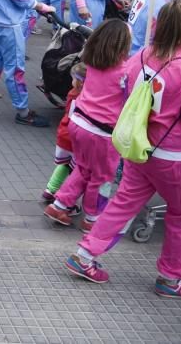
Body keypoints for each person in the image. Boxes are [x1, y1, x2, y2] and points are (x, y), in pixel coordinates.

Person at [64, 0, 181, 299]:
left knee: (122, 204)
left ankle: (84, 255)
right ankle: (172, 279)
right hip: (179, 161)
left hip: (140, 152)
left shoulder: (140, 57)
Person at [45, 20, 130, 232]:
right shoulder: (125, 72)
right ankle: (92, 218)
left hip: (79, 123)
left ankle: (60, 205)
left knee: (82, 168)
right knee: (101, 177)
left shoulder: (92, 63)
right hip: (102, 132)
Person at [41, 62, 85, 205]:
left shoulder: (72, 93)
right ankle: (66, 198)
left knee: (64, 164)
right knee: (75, 169)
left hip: (65, 133)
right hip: (75, 136)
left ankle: (50, 189)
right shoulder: (84, 96)